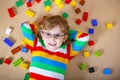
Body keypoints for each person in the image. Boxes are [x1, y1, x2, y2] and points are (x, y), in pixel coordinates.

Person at [21, 15, 89, 80]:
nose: (52, 39)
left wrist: (66, 33)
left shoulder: (67, 51)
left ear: (65, 37)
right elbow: (25, 26)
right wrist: (42, 30)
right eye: (48, 34)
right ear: (42, 35)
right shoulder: (36, 44)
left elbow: (84, 37)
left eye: (57, 35)